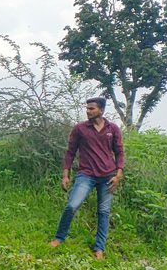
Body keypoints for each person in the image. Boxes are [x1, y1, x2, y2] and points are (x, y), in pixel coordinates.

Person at [49, 97, 124, 260]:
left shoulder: (113, 129)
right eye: (87, 108)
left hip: (108, 177)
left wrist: (118, 174)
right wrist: (65, 174)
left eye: (92, 108)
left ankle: (99, 248)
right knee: (72, 206)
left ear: (101, 110)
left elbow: (119, 152)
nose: (88, 111)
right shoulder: (80, 129)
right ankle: (59, 238)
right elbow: (70, 152)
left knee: (104, 212)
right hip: (86, 175)